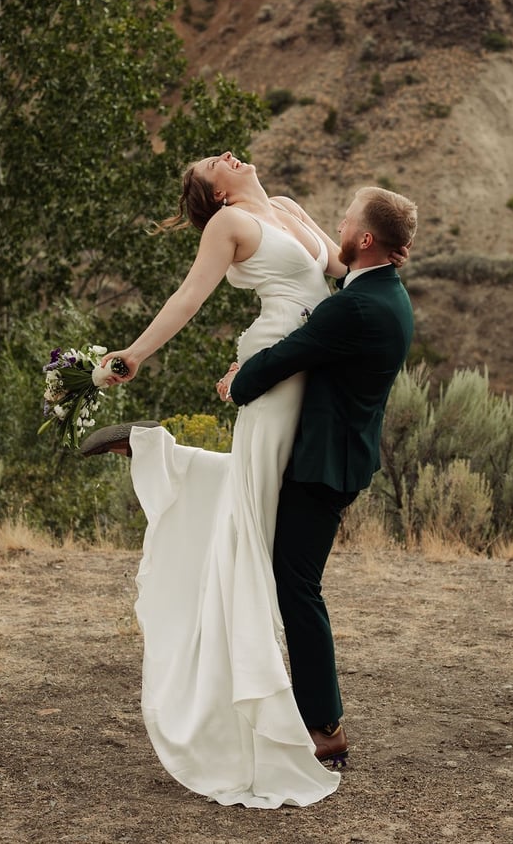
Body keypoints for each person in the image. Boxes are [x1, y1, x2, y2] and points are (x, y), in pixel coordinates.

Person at [85, 151, 402, 808]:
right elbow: (188, 296)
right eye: (212, 164)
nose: (225, 155)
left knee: (252, 506)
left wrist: (390, 253)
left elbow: (342, 270)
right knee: (254, 519)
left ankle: (160, 457)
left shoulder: (284, 207)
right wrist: (134, 355)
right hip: (275, 365)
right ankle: (274, 704)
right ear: (216, 194)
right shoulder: (225, 229)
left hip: (311, 365)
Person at [216, 185, 417, 765]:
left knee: (297, 587)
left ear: (367, 239)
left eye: (347, 220)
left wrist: (237, 383)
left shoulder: (355, 305)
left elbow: (289, 354)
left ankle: (325, 727)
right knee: (291, 579)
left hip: (323, 466)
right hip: (338, 456)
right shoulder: (385, 294)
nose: (340, 225)